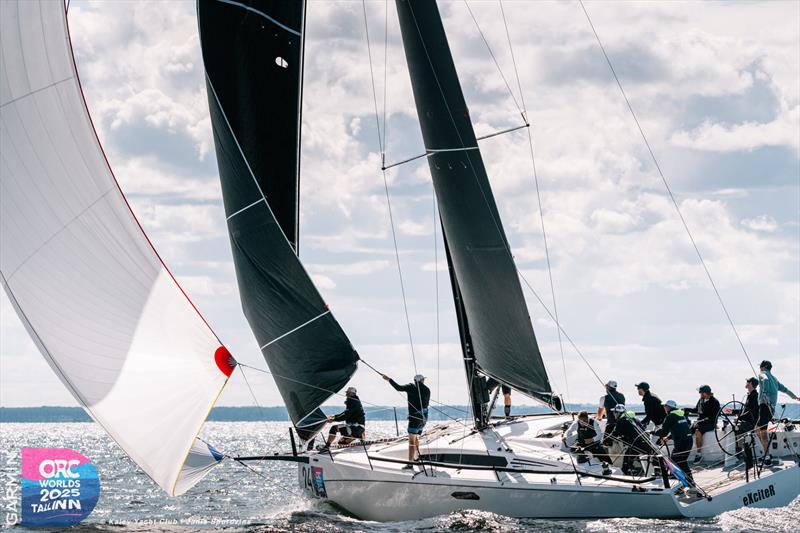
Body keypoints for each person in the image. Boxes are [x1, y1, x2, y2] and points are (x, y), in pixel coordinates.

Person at [382, 373, 431, 470]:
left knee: (411, 441)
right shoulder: (427, 390)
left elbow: (398, 387)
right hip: (424, 418)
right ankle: (416, 457)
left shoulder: (410, 387)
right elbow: (427, 403)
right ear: (421, 380)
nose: (424, 381)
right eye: (423, 380)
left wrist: (389, 379)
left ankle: (410, 464)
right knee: (416, 437)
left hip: (415, 419)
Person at [756, 360, 798, 465]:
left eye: (760, 367)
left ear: (763, 367)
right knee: (757, 428)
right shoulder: (775, 379)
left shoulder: (763, 374)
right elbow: (785, 389)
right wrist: (795, 397)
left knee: (762, 431)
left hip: (764, 406)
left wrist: (764, 393)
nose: (759, 368)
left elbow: (764, 379)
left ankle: (767, 457)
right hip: (771, 408)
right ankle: (766, 454)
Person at [653, 400, 694, 484]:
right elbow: (680, 428)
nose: (664, 407)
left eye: (665, 406)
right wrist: (668, 437)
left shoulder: (670, 416)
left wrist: (652, 432)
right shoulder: (681, 414)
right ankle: (686, 482)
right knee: (680, 461)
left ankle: (681, 483)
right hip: (689, 440)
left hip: (681, 442)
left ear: (668, 407)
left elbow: (663, 431)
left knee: (675, 462)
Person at [606, 405, 648, 475]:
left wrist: (605, 441)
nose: (613, 414)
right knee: (642, 457)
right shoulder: (634, 419)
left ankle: (626, 474)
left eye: (615, 412)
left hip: (636, 443)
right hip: (645, 442)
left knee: (627, 460)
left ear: (619, 413)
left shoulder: (621, 421)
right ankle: (641, 471)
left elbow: (614, 434)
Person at [685, 385, 720, 464]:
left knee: (698, 432)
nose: (699, 394)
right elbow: (696, 410)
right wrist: (686, 409)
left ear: (705, 393)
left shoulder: (715, 402)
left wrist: (700, 422)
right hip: (700, 422)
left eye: (700, 392)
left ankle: (699, 454)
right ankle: (684, 453)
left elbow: (713, 417)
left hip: (710, 423)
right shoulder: (701, 400)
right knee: (687, 433)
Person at [734, 377, 759, 468]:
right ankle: (740, 453)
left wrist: (739, 418)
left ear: (751, 384)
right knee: (735, 429)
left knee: (735, 429)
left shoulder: (754, 396)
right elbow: (745, 410)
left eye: (748, 382)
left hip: (751, 423)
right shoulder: (750, 395)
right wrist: (734, 412)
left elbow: (750, 411)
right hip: (747, 422)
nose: (746, 383)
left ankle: (740, 453)